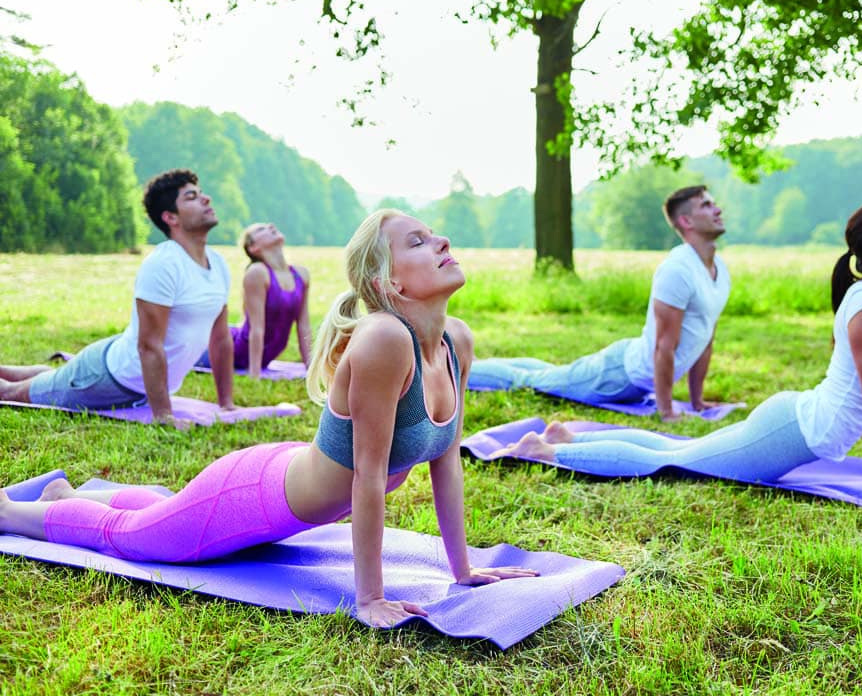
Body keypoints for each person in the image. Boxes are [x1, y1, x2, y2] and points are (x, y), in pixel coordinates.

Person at [0, 209, 538, 626]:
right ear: (388, 283)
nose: (442, 242)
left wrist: (463, 570)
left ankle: (64, 496)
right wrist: (369, 598)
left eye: (434, 234)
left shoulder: (454, 341)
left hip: (281, 482)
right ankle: (14, 514)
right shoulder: (384, 339)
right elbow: (369, 477)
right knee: (134, 537)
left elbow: (445, 460)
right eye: (417, 241)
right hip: (253, 498)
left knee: (168, 516)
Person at [492, 198, 862, 511]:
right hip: (791, 431)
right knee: (678, 461)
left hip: (796, 422)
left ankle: (569, 438)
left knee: (686, 449)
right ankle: (549, 450)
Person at [468, 185, 730, 421]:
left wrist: (697, 402)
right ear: (686, 221)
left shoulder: (718, 270)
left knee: (555, 373)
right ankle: (464, 371)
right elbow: (664, 346)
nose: (717, 209)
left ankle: (479, 365)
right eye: (706, 205)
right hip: (618, 376)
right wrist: (666, 411)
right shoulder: (678, 269)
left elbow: (705, 339)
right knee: (531, 380)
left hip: (628, 367)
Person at [0, 169, 235, 428]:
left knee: (53, 379)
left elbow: (221, 338)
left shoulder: (218, 264)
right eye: (191, 197)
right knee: (12, 393)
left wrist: (227, 404)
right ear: (170, 217)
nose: (206, 199)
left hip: (118, 364)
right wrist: (163, 416)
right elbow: (149, 345)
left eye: (201, 194)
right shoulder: (164, 263)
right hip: (106, 379)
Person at [195, 223, 312, 379]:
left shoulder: (301, 274)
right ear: (253, 248)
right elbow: (256, 328)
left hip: (258, 353)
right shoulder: (257, 273)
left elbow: (303, 326)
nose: (270, 226)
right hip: (228, 349)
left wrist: (311, 369)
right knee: (177, 351)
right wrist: (255, 375)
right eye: (260, 229)